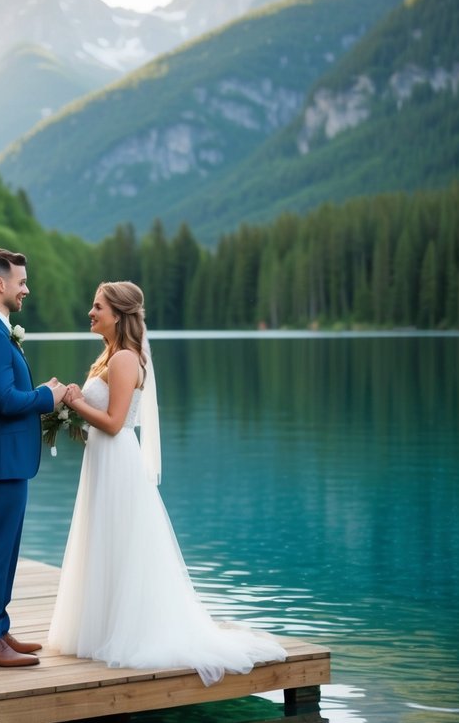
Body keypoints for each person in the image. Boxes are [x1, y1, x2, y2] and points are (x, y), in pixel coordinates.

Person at [48, 281, 287, 684]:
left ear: (119, 314)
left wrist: (74, 403)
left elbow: (115, 423)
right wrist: (76, 401)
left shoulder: (124, 359)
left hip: (117, 459)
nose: (91, 313)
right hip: (102, 460)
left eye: (97, 307)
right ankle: (103, 628)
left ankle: (127, 632)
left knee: (120, 542)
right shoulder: (109, 355)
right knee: (102, 541)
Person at [0, 247, 67, 668]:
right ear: (0, 284)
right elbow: (5, 402)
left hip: (5, 460)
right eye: (21, 282)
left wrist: (41, 390)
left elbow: (5, 392)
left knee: (4, 549)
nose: (27, 289)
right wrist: (48, 397)